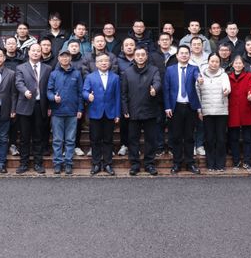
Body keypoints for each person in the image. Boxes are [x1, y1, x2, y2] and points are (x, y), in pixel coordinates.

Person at [121, 47, 162, 176]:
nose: (140, 57)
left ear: (146, 56)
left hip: (150, 110)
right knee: (133, 139)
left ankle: (149, 164)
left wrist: (154, 89)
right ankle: (135, 164)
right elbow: (124, 93)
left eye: (142, 55)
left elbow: (157, 82)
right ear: (134, 56)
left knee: (151, 139)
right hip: (133, 111)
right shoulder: (127, 72)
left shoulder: (153, 70)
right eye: (137, 55)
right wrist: (125, 108)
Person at [163, 45, 201, 174]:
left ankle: (190, 163)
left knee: (189, 136)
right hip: (175, 107)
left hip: (190, 107)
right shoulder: (170, 70)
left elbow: (197, 76)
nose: (184, 55)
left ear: (189, 55)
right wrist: (167, 106)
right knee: (176, 136)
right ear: (177, 55)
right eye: (182, 53)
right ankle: (177, 163)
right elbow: (166, 89)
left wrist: (199, 79)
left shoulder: (194, 68)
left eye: (186, 53)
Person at [15, 43, 52, 174]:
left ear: (41, 53)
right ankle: (23, 163)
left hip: (40, 106)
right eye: (33, 51)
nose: (36, 53)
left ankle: (38, 163)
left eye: (38, 51)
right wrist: (25, 91)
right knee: (24, 137)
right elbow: (19, 82)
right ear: (29, 52)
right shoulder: (21, 67)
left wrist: (49, 106)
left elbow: (49, 87)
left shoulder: (48, 68)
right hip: (25, 105)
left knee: (38, 136)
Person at [82, 52, 120, 176]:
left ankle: (108, 164)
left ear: (109, 63)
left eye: (106, 61)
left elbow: (117, 97)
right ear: (96, 64)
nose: (104, 63)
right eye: (101, 61)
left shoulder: (115, 77)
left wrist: (117, 114)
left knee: (108, 139)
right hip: (95, 112)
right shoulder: (90, 77)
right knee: (95, 140)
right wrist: (88, 96)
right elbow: (84, 91)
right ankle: (96, 163)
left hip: (110, 113)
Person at [47, 49, 83, 175]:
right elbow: (49, 91)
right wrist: (53, 98)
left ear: (70, 58)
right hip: (57, 111)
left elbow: (80, 93)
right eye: (62, 56)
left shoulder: (77, 74)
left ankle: (68, 163)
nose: (65, 58)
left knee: (70, 140)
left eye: (67, 56)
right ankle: (57, 163)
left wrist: (80, 109)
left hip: (72, 112)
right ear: (58, 58)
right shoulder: (54, 74)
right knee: (57, 140)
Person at [197, 53, 231, 172]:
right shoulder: (201, 75)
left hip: (221, 111)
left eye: (217, 61)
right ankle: (210, 164)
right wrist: (199, 110)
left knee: (221, 138)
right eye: (212, 61)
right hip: (207, 111)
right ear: (208, 62)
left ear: (219, 63)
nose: (214, 63)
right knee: (209, 139)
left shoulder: (224, 75)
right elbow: (198, 92)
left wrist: (226, 91)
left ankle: (220, 164)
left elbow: (227, 87)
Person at [227, 55, 251, 170]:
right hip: (232, 111)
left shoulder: (249, 76)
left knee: (247, 139)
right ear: (232, 65)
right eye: (236, 63)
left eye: (240, 63)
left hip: (246, 110)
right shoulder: (228, 77)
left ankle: (247, 162)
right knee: (233, 139)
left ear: (243, 65)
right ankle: (236, 162)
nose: (238, 65)